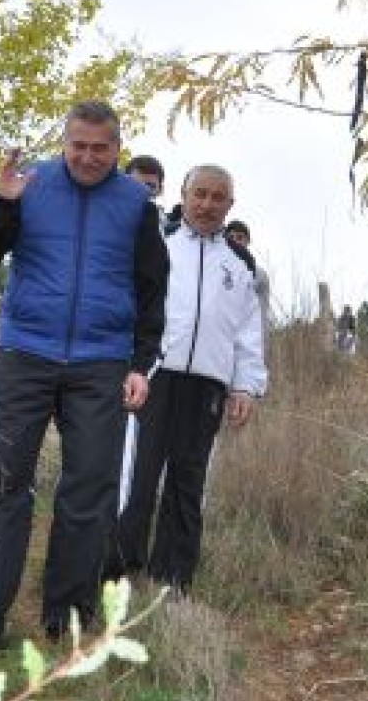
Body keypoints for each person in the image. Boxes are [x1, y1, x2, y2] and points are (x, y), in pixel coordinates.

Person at [0, 101, 169, 652]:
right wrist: (2, 203)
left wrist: (141, 363)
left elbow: (153, 291)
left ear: (118, 148)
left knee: (89, 487)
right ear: (65, 144)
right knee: (1, 481)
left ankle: (68, 621)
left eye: (100, 148)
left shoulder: (137, 205)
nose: (88, 157)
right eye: (78, 146)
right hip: (26, 354)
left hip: (102, 362)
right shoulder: (28, 184)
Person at [106, 164, 268, 594]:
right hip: (155, 377)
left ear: (230, 204)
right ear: (184, 194)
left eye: (218, 197)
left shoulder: (240, 265)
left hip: (207, 385)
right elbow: (131, 307)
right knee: (138, 477)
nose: (207, 204)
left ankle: (172, 579)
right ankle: (119, 570)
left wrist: (245, 385)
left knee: (188, 480)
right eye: (200, 194)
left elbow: (248, 332)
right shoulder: (158, 245)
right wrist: (127, 365)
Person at [224, 219, 273, 331]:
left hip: (248, 335)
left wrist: (261, 344)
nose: (235, 242)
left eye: (240, 238)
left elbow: (262, 314)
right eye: (231, 238)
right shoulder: (218, 270)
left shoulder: (259, 274)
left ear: (248, 241)